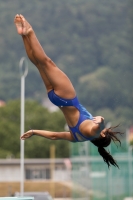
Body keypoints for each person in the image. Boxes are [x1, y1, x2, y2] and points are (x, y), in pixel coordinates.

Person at [14, 14, 123, 168]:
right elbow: (53, 136)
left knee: (47, 62)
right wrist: (33, 131)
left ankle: (29, 32)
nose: (103, 129)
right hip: (55, 98)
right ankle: (24, 35)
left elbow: (97, 128)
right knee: (39, 64)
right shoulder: (77, 137)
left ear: (101, 135)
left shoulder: (94, 131)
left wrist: (101, 121)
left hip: (68, 97)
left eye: (104, 131)